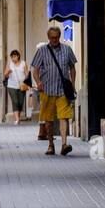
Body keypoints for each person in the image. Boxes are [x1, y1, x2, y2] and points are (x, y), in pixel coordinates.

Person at [33, 25, 77, 157]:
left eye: (57, 37)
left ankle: (64, 144)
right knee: (48, 119)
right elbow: (35, 70)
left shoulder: (67, 50)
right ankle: (51, 144)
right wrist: (38, 82)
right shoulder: (41, 51)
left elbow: (72, 67)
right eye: (52, 38)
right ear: (48, 37)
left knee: (64, 117)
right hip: (47, 89)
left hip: (63, 90)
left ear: (60, 37)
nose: (55, 40)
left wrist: (73, 84)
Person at [5, 50, 27, 124]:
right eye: (12, 57)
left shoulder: (23, 63)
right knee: (15, 102)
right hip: (11, 86)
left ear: (18, 56)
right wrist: (8, 72)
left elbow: (27, 74)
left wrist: (28, 84)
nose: (13, 58)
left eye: (14, 56)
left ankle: (18, 117)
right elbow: (5, 75)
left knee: (20, 102)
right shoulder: (10, 64)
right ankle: (17, 119)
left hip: (21, 86)